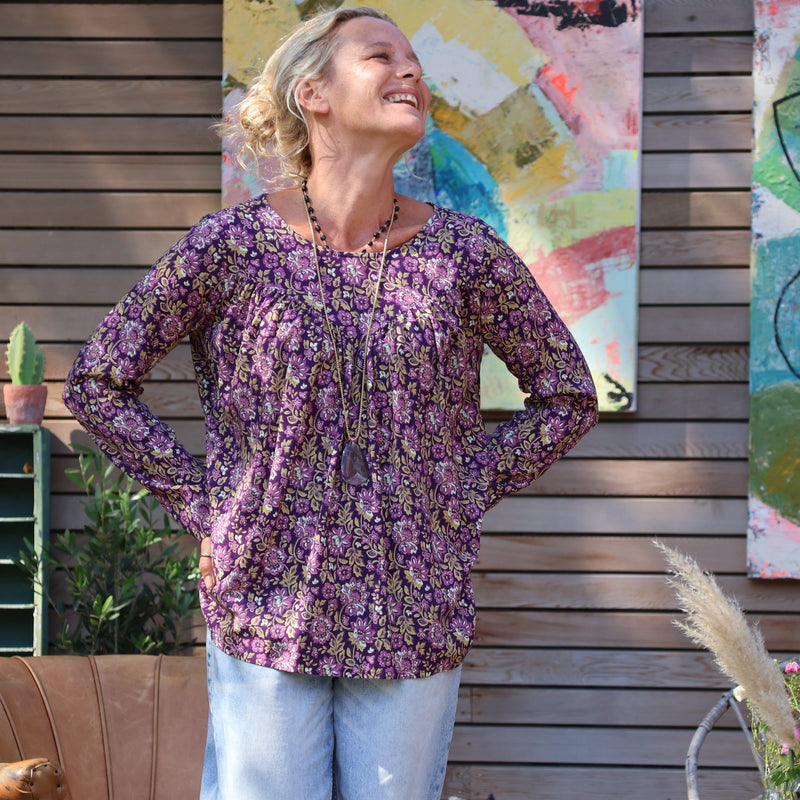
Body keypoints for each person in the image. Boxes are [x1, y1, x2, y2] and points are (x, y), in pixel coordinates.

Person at [63, 6, 598, 799]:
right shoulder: (231, 248)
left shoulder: (465, 256)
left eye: (414, 61)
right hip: (266, 596)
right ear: (312, 94)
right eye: (380, 56)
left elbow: (566, 394)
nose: (410, 71)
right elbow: (98, 381)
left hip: (411, 602)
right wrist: (207, 505)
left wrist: (456, 487)